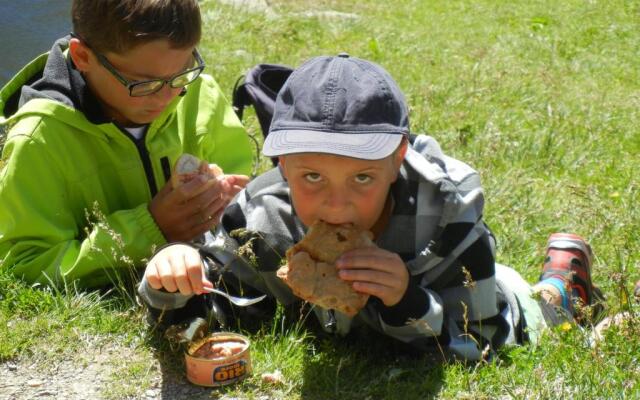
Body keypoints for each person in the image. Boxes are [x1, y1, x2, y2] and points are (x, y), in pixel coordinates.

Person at [138, 54, 603, 360]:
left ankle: (562, 283)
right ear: (282, 164)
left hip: (488, 297)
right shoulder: (261, 219)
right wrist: (170, 278)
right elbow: (213, 308)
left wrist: (408, 300)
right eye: (312, 177)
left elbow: (484, 338)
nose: (336, 203)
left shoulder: (449, 217)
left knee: (541, 311)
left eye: (363, 178)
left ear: (398, 159)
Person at [0, 0, 253, 289]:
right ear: (82, 57)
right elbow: (26, 263)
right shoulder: (38, 140)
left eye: (181, 72)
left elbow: (241, 182)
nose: (166, 97)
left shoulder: (198, 92)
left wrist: (227, 203)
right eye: (143, 84)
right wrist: (150, 229)